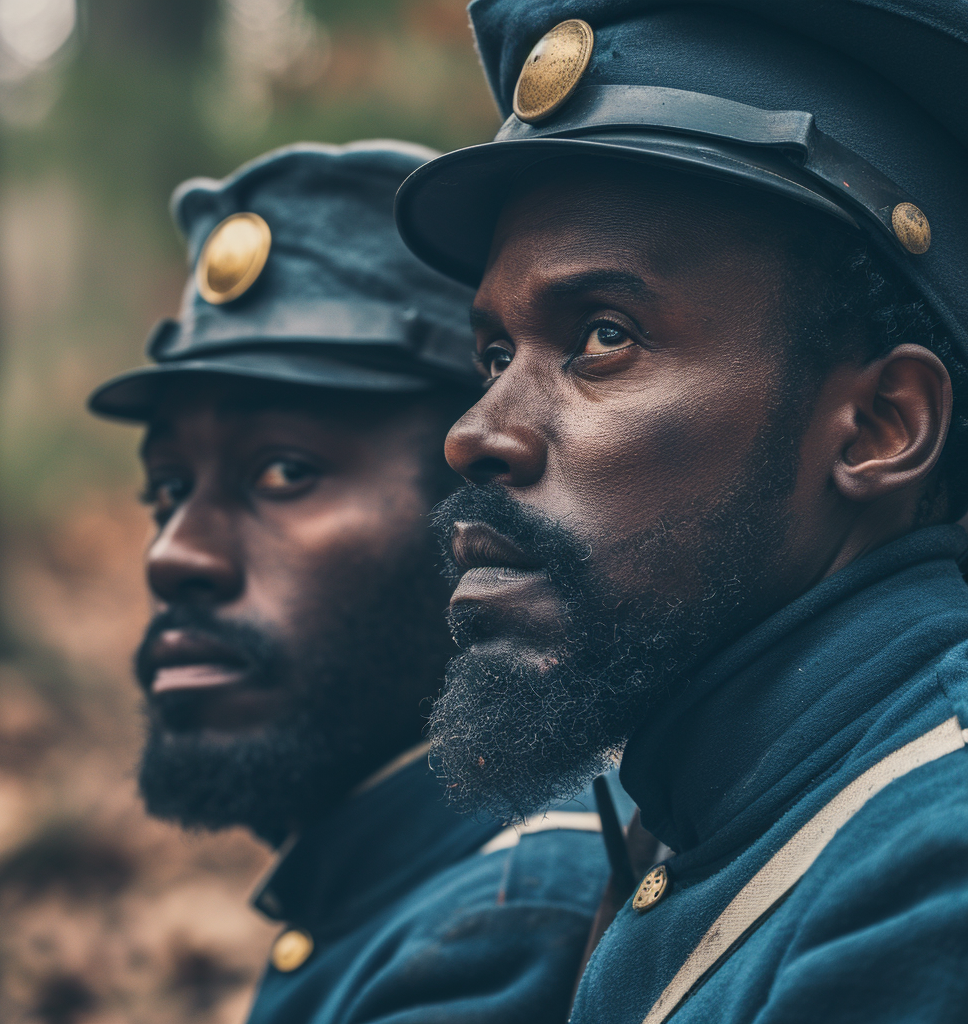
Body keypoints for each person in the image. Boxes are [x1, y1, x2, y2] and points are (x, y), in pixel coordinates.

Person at [393, 3, 968, 1022]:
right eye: (493, 355)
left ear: (881, 424)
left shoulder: (929, 863)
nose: (476, 433)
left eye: (602, 336)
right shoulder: (707, 816)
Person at [88, 141, 619, 1024]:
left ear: (479, 508)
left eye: (283, 472)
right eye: (169, 490)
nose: (173, 553)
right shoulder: (419, 891)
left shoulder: (503, 927)